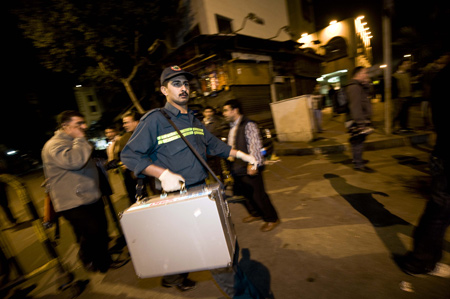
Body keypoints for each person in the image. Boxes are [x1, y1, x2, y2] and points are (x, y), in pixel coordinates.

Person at [121, 65, 257, 293]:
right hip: (179, 199)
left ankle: (240, 285)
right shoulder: (155, 120)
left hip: (204, 193)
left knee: (226, 245)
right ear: (164, 90)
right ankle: (241, 294)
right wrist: (161, 173)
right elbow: (128, 155)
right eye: (176, 84)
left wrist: (242, 155)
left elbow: (216, 146)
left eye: (185, 84)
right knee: (215, 254)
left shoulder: (193, 120)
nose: (183, 88)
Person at [41, 110, 119, 273]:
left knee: (101, 230)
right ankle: (87, 257)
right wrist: (80, 139)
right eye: (78, 124)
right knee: (92, 231)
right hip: (72, 202)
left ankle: (103, 262)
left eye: (83, 123)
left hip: (90, 196)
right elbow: (76, 161)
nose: (84, 126)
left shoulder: (74, 140)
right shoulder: (54, 144)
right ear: (65, 126)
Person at [398, 55, 450, 277]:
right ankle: (420, 262)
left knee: (437, 212)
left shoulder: (441, 78)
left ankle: (421, 260)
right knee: (439, 213)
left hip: (443, 151)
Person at [222, 99, 280, 232]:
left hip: (248, 165)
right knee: (246, 193)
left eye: (226, 110)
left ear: (235, 110)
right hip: (237, 166)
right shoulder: (232, 126)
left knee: (258, 194)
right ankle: (255, 213)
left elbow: (254, 145)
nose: (224, 113)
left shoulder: (248, 124)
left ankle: (272, 218)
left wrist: (253, 164)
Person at [346, 66, 374, 173]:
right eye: (364, 73)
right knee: (358, 142)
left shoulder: (359, 86)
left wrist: (366, 84)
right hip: (355, 120)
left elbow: (367, 95)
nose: (366, 75)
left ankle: (357, 159)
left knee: (358, 141)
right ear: (358, 74)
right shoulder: (354, 87)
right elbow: (355, 106)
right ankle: (358, 164)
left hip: (358, 119)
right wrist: (360, 123)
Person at [115, 111, 147, 204]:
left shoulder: (147, 134)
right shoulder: (124, 139)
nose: (124, 125)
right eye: (123, 123)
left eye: (126, 122)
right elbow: (121, 157)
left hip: (152, 174)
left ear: (136, 122)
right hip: (134, 177)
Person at [202, 106, 229, 181]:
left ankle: (222, 181)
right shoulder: (201, 124)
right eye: (207, 112)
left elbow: (220, 132)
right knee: (210, 167)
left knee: (219, 166)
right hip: (206, 150)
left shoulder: (217, 122)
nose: (208, 114)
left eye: (210, 112)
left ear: (213, 113)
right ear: (203, 113)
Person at [392, 59, 413, 133]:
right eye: (406, 64)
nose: (408, 65)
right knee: (397, 113)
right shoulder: (395, 76)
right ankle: (393, 128)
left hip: (407, 96)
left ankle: (404, 127)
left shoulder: (407, 74)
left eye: (408, 64)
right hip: (399, 97)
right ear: (400, 66)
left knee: (405, 113)